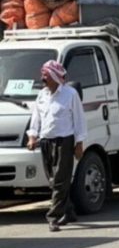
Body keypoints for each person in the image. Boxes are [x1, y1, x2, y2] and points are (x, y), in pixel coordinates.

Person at [26, 60, 86, 232]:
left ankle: (53, 216)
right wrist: (32, 137)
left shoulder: (70, 94)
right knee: (53, 181)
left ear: (54, 77)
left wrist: (79, 143)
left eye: (46, 76)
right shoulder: (42, 95)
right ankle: (69, 211)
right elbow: (36, 118)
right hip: (46, 141)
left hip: (65, 142)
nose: (42, 79)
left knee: (60, 180)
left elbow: (79, 120)